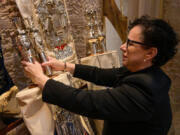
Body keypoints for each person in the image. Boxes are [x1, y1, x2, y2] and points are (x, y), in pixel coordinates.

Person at [22, 16, 179, 135]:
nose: (122, 46)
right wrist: (65, 66)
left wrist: (41, 80)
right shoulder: (146, 72)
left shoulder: (142, 91)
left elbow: (87, 102)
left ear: (150, 53)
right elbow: (101, 74)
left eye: (130, 43)